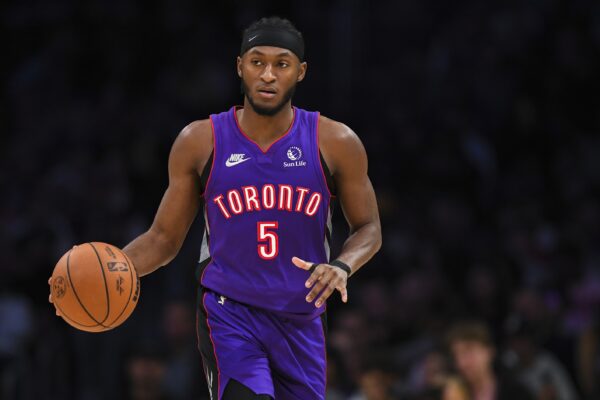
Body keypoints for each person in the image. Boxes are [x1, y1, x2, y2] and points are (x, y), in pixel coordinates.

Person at [49, 16, 381, 400]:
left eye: (282, 64)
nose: (268, 75)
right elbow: (162, 238)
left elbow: (369, 227)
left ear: (301, 72)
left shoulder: (336, 141)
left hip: (301, 317)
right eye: (257, 62)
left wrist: (342, 266)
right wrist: (107, 274)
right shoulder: (200, 140)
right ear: (240, 66)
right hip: (229, 312)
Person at [446, 320, 534, 400]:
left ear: (489, 351)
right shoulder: (451, 394)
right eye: (456, 355)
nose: (461, 363)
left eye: (469, 351)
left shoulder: (516, 393)